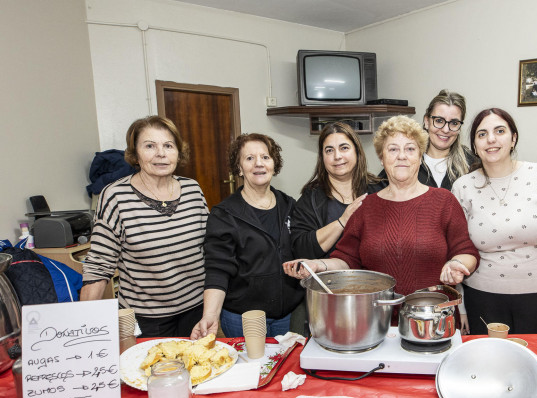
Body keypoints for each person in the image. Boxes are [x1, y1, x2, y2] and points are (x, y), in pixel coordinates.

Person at [284, 115, 479, 327]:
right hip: (377, 322)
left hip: (433, 322)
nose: (402, 156)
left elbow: (467, 251)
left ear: (421, 156)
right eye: (393, 149)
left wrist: (456, 264)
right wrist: (317, 265)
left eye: (410, 149)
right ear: (381, 157)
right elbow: (347, 259)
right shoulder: (366, 207)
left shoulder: (444, 201)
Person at [451, 108, 537, 339]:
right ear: (474, 145)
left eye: (499, 131)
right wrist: (459, 306)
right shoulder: (463, 187)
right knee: (491, 369)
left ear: (513, 138)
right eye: (482, 134)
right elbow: (456, 251)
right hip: (483, 300)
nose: (491, 139)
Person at [81, 116, 208, 337]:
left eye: (168, 146)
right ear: (135, 154)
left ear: (178, 152)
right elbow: (99, 266)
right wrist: (84, 331)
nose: (161, 153)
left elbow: (210, 247)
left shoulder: (192, 189)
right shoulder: (115, 196)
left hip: (197, 311)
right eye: (150, 146)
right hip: (146, 318)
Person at [191, 133, 304, 340]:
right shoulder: (224, 214)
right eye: (249, 158)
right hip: (243, 318)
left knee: (284, 369)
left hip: (288, 314)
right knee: (252, 368)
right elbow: (218, 269)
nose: (258, 164)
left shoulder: (290, 205)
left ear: (274, 164)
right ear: (239, 168)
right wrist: (210, 315)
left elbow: (304, 248)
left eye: (265, 157)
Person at [290, 122, 384, 259]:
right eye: (329, 150)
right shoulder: (311, 198)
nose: (337, 156)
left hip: (374, 278)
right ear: (322, 158)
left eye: (344, 148)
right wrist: (342, 221)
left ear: (357, 151)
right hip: (328, 278)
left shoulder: (380, 189)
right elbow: (301, 249)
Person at [379, 89, 474, 190]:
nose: (446, 130)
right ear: (427, 121)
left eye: (454, 123)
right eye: (439, 121)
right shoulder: (405, 159)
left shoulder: (471, 163)